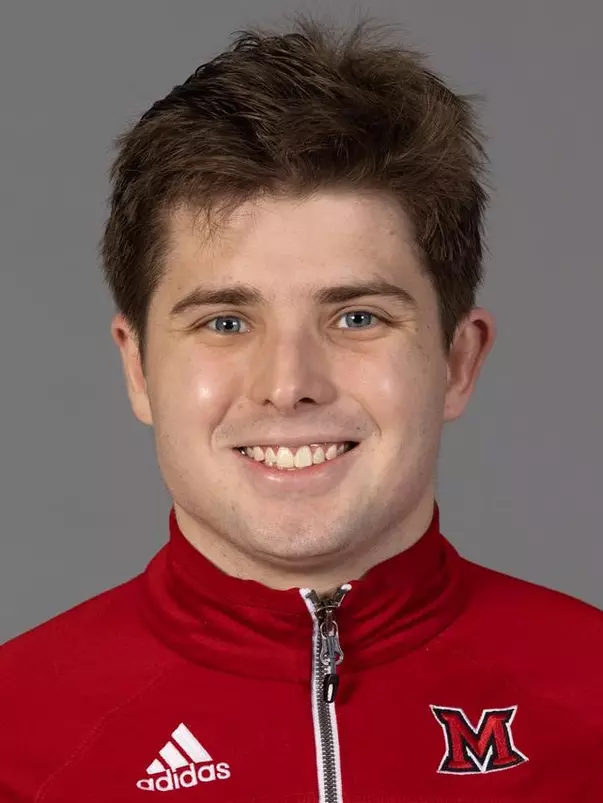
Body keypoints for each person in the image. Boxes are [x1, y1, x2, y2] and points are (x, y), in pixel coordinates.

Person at [0, 16, 601, 802]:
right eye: (224, 321)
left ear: (457, 361)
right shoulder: (17, 734)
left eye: (356, 317)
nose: (289, 384)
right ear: (138, 367)